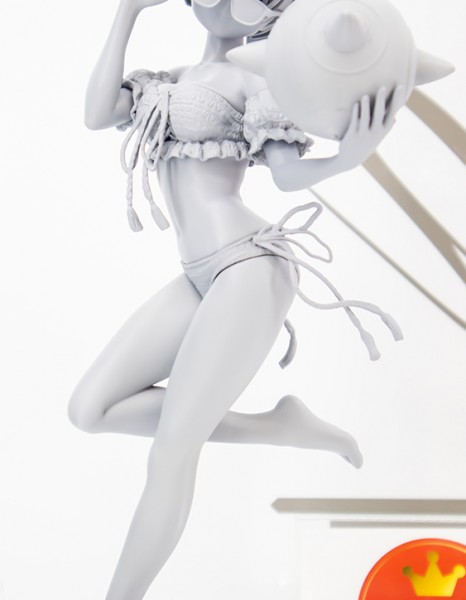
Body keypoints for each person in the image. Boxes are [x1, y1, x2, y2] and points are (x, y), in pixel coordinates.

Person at [68, 0, 402, 598]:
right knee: (90, 409)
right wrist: (127, 11)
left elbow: (286, 175)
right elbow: (97, 114)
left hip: (249, 266)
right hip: (200, 274)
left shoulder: (259, 80)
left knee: (171, 454)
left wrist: (347, 157)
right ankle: (278, 425)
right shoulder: (168, 80)